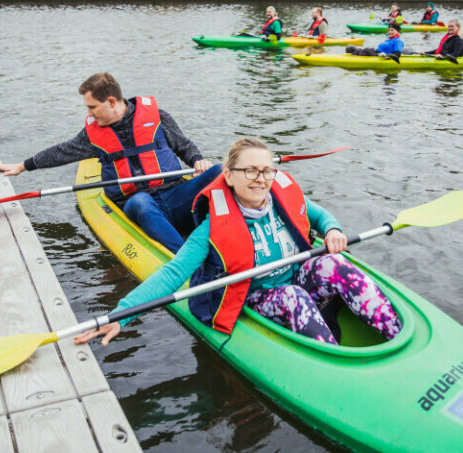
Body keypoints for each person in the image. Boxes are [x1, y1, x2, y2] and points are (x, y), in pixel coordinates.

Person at [74, 138, 402, 347]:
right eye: (250, 171)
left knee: (335, 263)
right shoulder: (212, 227)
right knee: (293, 296)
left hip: (297, 276)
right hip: (255, 294)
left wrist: (332, 230)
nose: (261, 178)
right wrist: (121, 315)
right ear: (229, 176)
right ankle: (334, 362)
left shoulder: (282, 194)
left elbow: (319, 215)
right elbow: (173, 275)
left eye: (267, 170)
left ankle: (395, 334)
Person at [0, 72, 220, 253]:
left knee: (222, 171)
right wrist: (23, 165)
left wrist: (198, 161)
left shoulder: (157, 116)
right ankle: (184, 261)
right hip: (136, 204)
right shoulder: (93, 134)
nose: (90, 114)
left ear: (111, 101)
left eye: (92, 107)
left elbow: (184, 146)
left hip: (175, 194)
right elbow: (62, 151)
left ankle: (230, 232)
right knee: (141, 202)